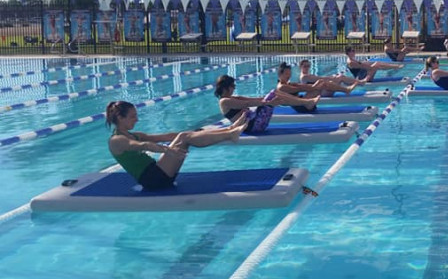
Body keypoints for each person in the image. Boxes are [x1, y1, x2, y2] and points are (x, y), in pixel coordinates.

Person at [106, 100, 247, 191]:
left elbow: (164, 137)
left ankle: (229, 130)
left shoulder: (134, 134)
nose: (137, 119)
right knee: (184, 137)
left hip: (158, 174)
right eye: (132, 116)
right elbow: (143, 145)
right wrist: (167, 150)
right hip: (153, 180)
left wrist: (193, 133)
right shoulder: (116, 140)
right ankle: (230, 134)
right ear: (120, 118)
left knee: (184, 136)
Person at [215, 75, 312, 133]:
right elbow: (247, 103)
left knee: (274, 93)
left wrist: (267, 98)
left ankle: (304, 102)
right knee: (274, 94)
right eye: (232, 86)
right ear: (225, 87)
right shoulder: (224, 102)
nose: (234, 88)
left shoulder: (230, 98)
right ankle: (305, 102)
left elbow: (250, 99)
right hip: (253, 126)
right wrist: (268, 102)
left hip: (255, 121)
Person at [275, 61, 358, 104]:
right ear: (280, 74)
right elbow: (300, 88)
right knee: (322, 84)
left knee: (322, 83)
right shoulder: (282, 87)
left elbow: (300, 85)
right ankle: (346, 90)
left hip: (301, 101)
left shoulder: (287, 83)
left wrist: (315, 86)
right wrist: (315, 86)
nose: (288, 76)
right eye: (286, 74)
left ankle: (346, 89)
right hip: (301, 105)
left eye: (289, 74)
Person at [298, 59, 364, 86]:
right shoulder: (305, 76)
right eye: (305, 66)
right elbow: (320, 78)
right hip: (321, 92)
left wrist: (332, 77)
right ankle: (359, 83)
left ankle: (357, 83)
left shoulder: (305, 74)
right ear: (301, 66)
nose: (307, 68)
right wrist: (332, 78)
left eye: (308, 66)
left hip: (322, 89)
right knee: (340, 77)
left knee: (340, 78)